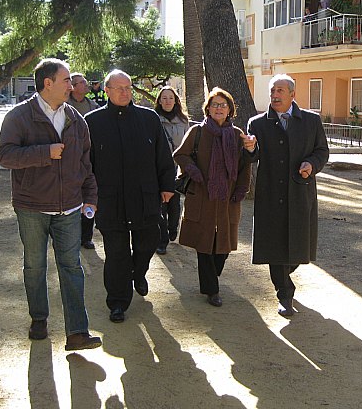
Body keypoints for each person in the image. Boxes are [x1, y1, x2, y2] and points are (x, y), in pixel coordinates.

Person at [0, 58, 102, 351]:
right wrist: (45, 153)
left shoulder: (76, 120)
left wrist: (90, 198)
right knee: (35, 266)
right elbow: (4, 156)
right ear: (48, 84)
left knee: (72, 267)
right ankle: (39, 318)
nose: (72, 85)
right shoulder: (18, 117)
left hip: (69, 208)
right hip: (31, 207)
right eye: (67, 80)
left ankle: (77, 332)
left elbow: (86, 164)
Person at [85, 70, 176, 323]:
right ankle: (117, 302)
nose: (125, 92)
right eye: (119, 88)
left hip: (144, 197)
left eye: (128, 87)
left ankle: (138, 271)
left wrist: (167, 185)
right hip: (110, 199)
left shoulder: (149, 119)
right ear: (107, 91)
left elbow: (163, 156)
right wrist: (87, 196)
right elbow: (86, 164)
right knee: (116, 253)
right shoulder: (92, 122)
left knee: (150, 239)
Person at [245, 74, 329, 317]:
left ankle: (286, 274)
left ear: (293, 94)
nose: (275, 95)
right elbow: (252, 157)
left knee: (298, 247)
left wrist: (311, 165)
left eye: (280, 90)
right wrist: (250, 149)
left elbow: (322, 150)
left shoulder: (311, 121)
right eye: (272, 90)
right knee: (274, 246)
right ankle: (284, 293)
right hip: (270, 193)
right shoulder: (257, 124)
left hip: (299, 192)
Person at [173, 88, 252, 307]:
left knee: (223, 246)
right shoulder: (197, 131)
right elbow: (179, 154)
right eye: (215, 105)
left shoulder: (237, 135)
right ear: (208, 108)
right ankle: (211, 289)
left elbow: (245, 164)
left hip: (227, 198)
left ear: (230, 110)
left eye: (223, 105)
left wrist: (241, 190)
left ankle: (212, 277)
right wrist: (193, 171)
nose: (218, 108)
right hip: (202, 194)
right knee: (204, 242)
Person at [154, 86, 189, 255]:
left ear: (175, 101)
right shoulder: (153, 119)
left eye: (170, 98)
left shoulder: (183, 121)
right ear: (159, 101)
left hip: (177, 168)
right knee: (160, 205)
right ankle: (162, 240)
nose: (167, 101)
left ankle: (172, 228)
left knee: (174, 204)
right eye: (164, 98)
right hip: (158, 169)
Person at [68, 72, 100, 250]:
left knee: (90, 195)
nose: (85, 85)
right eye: (80, 82)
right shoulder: (64, 107)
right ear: (72, 87)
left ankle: (86, 236)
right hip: (70, 158)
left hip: (90, 157)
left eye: (85, 82)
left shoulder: (93, 106)